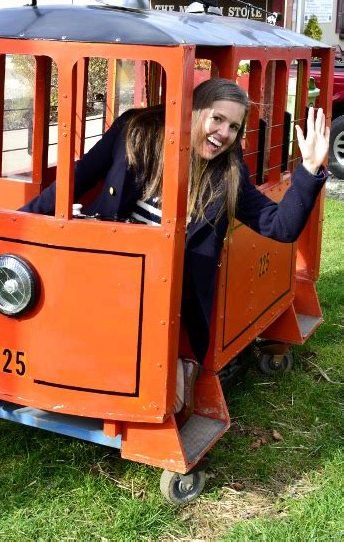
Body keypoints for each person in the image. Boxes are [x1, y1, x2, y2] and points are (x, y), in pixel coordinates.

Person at [20, 78, 329, 418]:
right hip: (112, 269)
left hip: (169, 293)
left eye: (233, 127)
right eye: (217, 118)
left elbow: (279, 226)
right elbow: (79, 176)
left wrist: (310, 169)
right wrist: (21, 221)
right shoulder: (136, 132)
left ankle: (176, 368)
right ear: (194, 112)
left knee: (168, 402)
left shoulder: (228, 174)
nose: (223, 133)